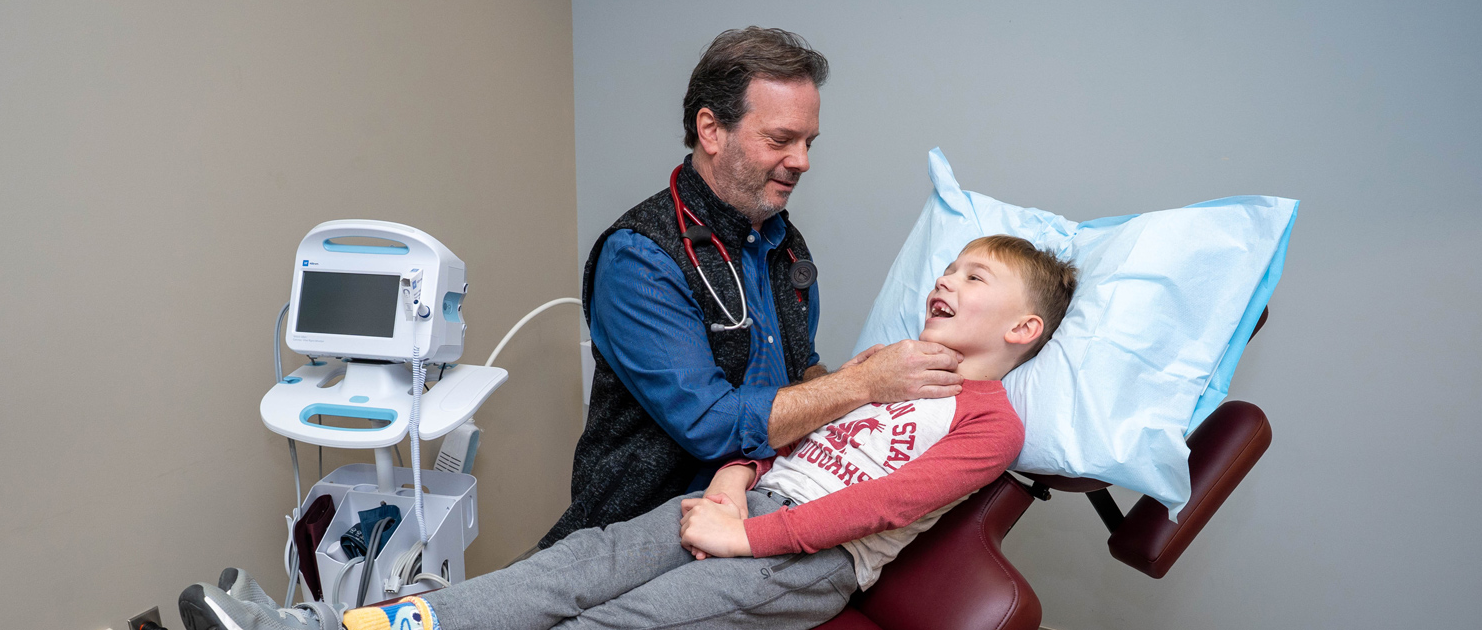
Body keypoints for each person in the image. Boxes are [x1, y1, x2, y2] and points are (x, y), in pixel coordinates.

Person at [180, 235, 1079, 630]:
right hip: (735, 506)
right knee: (562, 574)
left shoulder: (988, 424)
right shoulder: (886, 361)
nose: (948, 282)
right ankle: (342, 628)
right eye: (951, 267)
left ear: (1022, 330)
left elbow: (875, 504)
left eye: (977, 278)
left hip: (805, 561)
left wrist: (748, 533)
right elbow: (789, 430)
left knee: (619, 620)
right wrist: (731, 482)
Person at [551, 26, 967, 552]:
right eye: (781, 140)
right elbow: (709, 423)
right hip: (641, 520)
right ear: (711, 129)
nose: (802, 161)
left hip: (757, 507)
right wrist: (861, 386)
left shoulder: (784, 244)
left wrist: (864, 384)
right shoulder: (641, 256)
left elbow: (797, 375)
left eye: (808, 142)